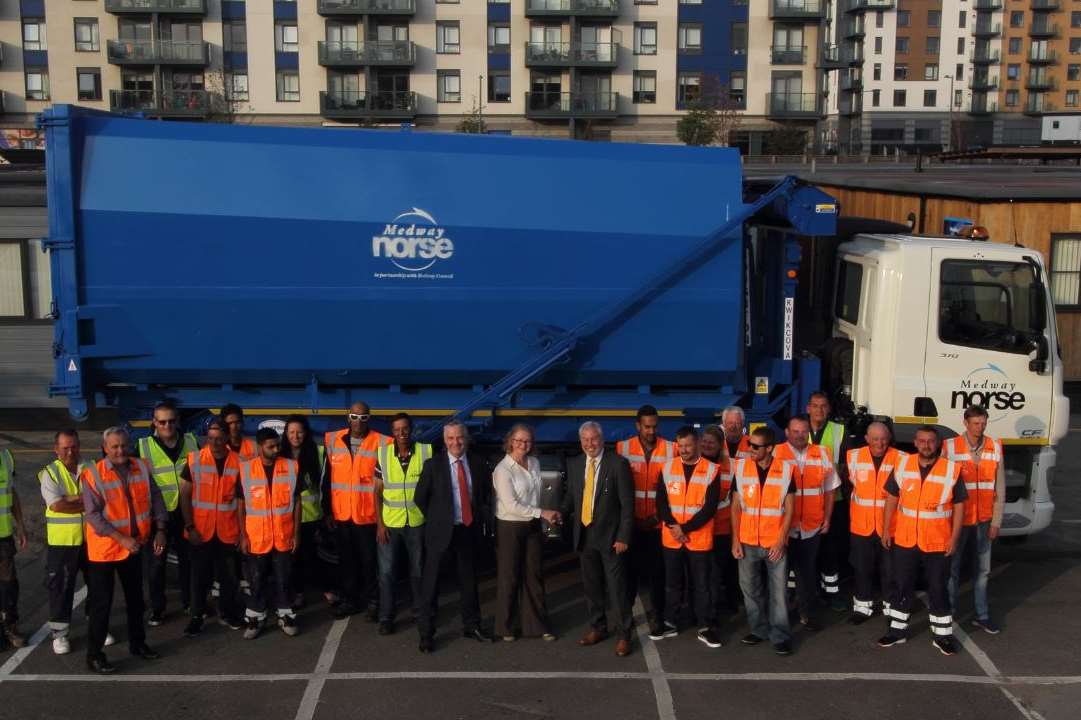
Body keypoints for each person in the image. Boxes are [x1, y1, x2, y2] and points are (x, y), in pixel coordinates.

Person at [81, 427, 166, 673]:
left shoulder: (140, 467)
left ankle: (138, 644)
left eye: (123, 445)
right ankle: (94, 655)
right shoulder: (93, 474)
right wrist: (122, 538)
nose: (120, 451)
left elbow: (157, 497)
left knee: (136, 600)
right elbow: (93, 516)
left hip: (134, 546)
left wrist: (160, 528)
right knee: (101, 604)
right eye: (114, 446)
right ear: (105, 448)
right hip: (105, 551)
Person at [879, 426, 966, 656]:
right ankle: (897, 631)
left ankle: (942, 635)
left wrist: (954, 538)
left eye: (930, 441)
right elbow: (891, 499)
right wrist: (887, 529)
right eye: (921, 441)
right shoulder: (902, 465)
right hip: (906, 539)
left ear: (937, 444)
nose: (926, 445)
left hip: (938, 541)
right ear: (915, 443)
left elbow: (959, 508)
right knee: (902, 584)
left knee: (938, 587)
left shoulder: (951, 470)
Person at [414, 420, 493, 653]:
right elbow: (421, 498)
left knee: (469, 582)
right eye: (450, 438)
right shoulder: (433, 465)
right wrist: (438, 520)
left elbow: (483, 496)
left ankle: (472, 625)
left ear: (466, 439)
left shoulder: (478, 464)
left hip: (467, 530)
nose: (456, 442)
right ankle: (426, 634)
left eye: (459, 437)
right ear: (445, 440)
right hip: (440, 533)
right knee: (431, 585)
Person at [38, 430, 116, 654]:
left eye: (73, 446)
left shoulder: (92, 468)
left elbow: (104, 496)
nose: (70, 451)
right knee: (61, 588)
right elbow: (57, 506)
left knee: (98, 585)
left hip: (93, 538)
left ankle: (98, 628)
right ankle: (60, 635)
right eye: (65, 448)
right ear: (56, 449)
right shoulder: (49, 473)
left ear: (79, 446)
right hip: (63, 542)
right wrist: (87, 502)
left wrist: (72, 499)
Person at [562, 422, 635, 657]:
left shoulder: (618, 464)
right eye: (585, 439)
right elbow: (571, 497)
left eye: (593, 439)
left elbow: (627, 505)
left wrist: (624, 536)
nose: (589, 444)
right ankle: (598, 627)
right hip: (585, 535)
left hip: (612, 538)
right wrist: (558, 512)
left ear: (602, 439)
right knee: (592, 587)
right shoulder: (574, 464)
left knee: (617, 589)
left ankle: (624, 634)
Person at [655, 426, 723, 648]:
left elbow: (710, 507)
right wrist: (675, 527)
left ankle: (705, 627)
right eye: (680, 445)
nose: (684, 449)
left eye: (688, 445)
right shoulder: (667, 468)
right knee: (672, 584)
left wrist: (685, 529)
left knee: (701, 585)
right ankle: (669, 623)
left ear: (697, 444)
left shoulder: (712, 470)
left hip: (698, 539)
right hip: (672, 538)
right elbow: (661, 502)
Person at [731, 425, 796, 655]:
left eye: (756, 446)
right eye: (750, 444)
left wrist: (781, 540)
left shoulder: (786, 470)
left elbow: (789, 509)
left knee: (778, 592)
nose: (750, 449)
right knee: (750, 588)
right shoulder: (741, 468)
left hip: (774, 543)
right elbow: (736, 506)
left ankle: (780, 636)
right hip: (747, 541)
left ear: (769, 448)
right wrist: (735, 540)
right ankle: (758, 630)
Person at [493, 424, 560, 642]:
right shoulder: (502, 470)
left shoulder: (534, 463)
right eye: (519, 440)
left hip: (531, 525)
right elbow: (511, 505)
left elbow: (535, 495)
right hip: (510, 525)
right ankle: (506, 627)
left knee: (534, 574)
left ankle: (537, 626)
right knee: (509, 576)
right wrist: (543, 513)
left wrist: (539, 515)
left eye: (528, 441)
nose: (524, 445)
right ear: (510, 441)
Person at [323, 401, 390, 620]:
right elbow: (327, 479)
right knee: (347, 561)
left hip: (368, 515)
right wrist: (328, 511)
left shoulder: (382, 443)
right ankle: (351, 601)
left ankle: (373, 602)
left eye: (363, 417)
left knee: (370, 562)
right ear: (348, 417)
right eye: (354, 416)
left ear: (369, 419)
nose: (358, 421)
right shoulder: (333, 440)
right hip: (343, 515)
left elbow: (385, 483)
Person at [179, 419, 244, 637]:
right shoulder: (195, 460)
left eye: (219, 438)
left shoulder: (239, 463)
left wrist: (242, 532)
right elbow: (185, 496)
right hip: (201, 531)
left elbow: (243, 502)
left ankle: (228, 613)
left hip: (227, 531)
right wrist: (190, 527)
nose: (214, 442)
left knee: (229, 578)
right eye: (210, 438)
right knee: (199, 577)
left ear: (227, 438)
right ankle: (196, 617)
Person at [137, 399, 199, 625]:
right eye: (162, 422)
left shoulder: (191, 442)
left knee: (188, 561)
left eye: (171, 421)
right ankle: (157, 608)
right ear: (154, 422)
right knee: (156, 564)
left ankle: (190, 603)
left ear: (178, 421)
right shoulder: (143, 446)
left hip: (185, 512)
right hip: (157, 516)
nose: (167, 426)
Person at [944, 405, 1005, 635]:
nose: (980, 427)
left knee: (983, 570)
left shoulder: (994, 446)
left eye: (983, 423)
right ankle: (948, 615)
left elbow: (1000, 487)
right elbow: (942, 485)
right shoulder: (950, 447)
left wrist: (996, 522)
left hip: (984, 520)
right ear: (965, 423)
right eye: (976, 423)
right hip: (958, 521)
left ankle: (982, 616)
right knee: (952, 568)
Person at [774, 415, 839, 631]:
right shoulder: (776, 454)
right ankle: (780, 617)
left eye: (804, 431)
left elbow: (830, 489)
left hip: (811, 526)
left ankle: (807, 614)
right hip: (783, 528)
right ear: (787, 433)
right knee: (779, 577)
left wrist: (827, 518)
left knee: (807, 574)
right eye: (796, 431)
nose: (800, 435)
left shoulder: (821, 453)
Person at [238, 427, 302, 640]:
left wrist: (297, 534)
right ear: (259, 447)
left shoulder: (291, 467)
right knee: (257, 581)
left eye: (277, 445)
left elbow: (297, 503)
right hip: (257, 538)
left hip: (284, 536)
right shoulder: (246, 470)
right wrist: (243, 536)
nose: (276, 449)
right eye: (270, 446)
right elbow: (241, 505)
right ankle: (256, 618)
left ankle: (285, 615)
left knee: (284, 579)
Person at [616, 405, 674, 639]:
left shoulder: (672, 449)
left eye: (655, 426)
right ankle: (625, 622)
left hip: (657, 525)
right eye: (647, 426)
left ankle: (657, 617)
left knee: (657, 576)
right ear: (638, 426)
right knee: (628, 576)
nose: (651, 431)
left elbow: (676, 489)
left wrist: (659, 518)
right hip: (632, 524)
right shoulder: (623, 448)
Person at [374, 413, 430, 635]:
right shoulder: (384, 454)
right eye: (397, 430)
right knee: (386, 573)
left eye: (405, 429)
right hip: (390, 524)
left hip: (416, 522)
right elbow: (376, 493)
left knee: (417, 570)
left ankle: (419, 612)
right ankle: (386, 617)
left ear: (412, 429)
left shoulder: (426, 452)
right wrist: (379, 524)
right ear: (392, 432)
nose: (402, 434)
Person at [845, 422, 903, 625]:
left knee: (890, 570)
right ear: (867, 439)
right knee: (862, 568)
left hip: (890, 526)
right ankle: (862, 607)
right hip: (861, 525)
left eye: (884, 438)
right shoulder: (853, 457)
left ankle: (890, 607)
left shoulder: (901, 459)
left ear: (889, 438)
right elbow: (850, 487)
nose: (880, 443)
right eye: (876, 438)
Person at [281, 415, 334, 610]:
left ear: (306, 433)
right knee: (293, 560)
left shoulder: (318, 453)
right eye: (291, 432)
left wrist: (327, 512)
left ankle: (326, 589)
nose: (296, 436)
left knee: (314, 558)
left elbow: (326, 486)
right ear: (286, 434)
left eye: (300, 432)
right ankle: (299, 594)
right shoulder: (279, 456)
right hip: (287, 518)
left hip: (312, 516)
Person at [806, 392, 848, 610]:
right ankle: (803, 592)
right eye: (815, 406)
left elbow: (845, 464)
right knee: (804, 550)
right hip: (805, 502)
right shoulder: (799, 430)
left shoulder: (839, 430)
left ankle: (832, 592)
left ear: (829, 409)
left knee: (830, 549)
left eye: (823, 406)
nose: (819, 410)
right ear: (808, 408)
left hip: (833, 500)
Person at [701, 425, 738, 618]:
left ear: (720, 445)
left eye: (711, 442)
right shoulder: (694, 463)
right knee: (698, 576)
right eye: (704, 441)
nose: (707, 445)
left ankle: (712, 615)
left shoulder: (733, 466)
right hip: (697, 530)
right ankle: (698, 612)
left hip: (721, 529)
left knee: (716, 575)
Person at [0, 444, 28, 650]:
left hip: (4, 536)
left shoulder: (6, 457)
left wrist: (20, 525)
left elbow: (11, 493)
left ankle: (10, 627)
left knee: (9, 585)